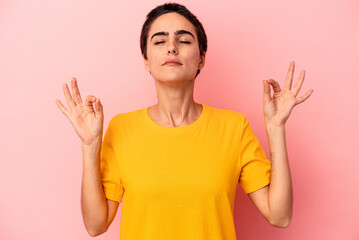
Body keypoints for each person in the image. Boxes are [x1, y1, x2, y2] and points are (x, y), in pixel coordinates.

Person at [55, 2, 313, 239]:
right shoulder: (122, 128)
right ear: (146, 60)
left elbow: (280, 216)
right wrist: (90, 146)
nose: (171, 47)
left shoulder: (234, 127)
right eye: (159, 41)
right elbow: (95, 225)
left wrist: (276, 128)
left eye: (184, 40)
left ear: (201, 58)